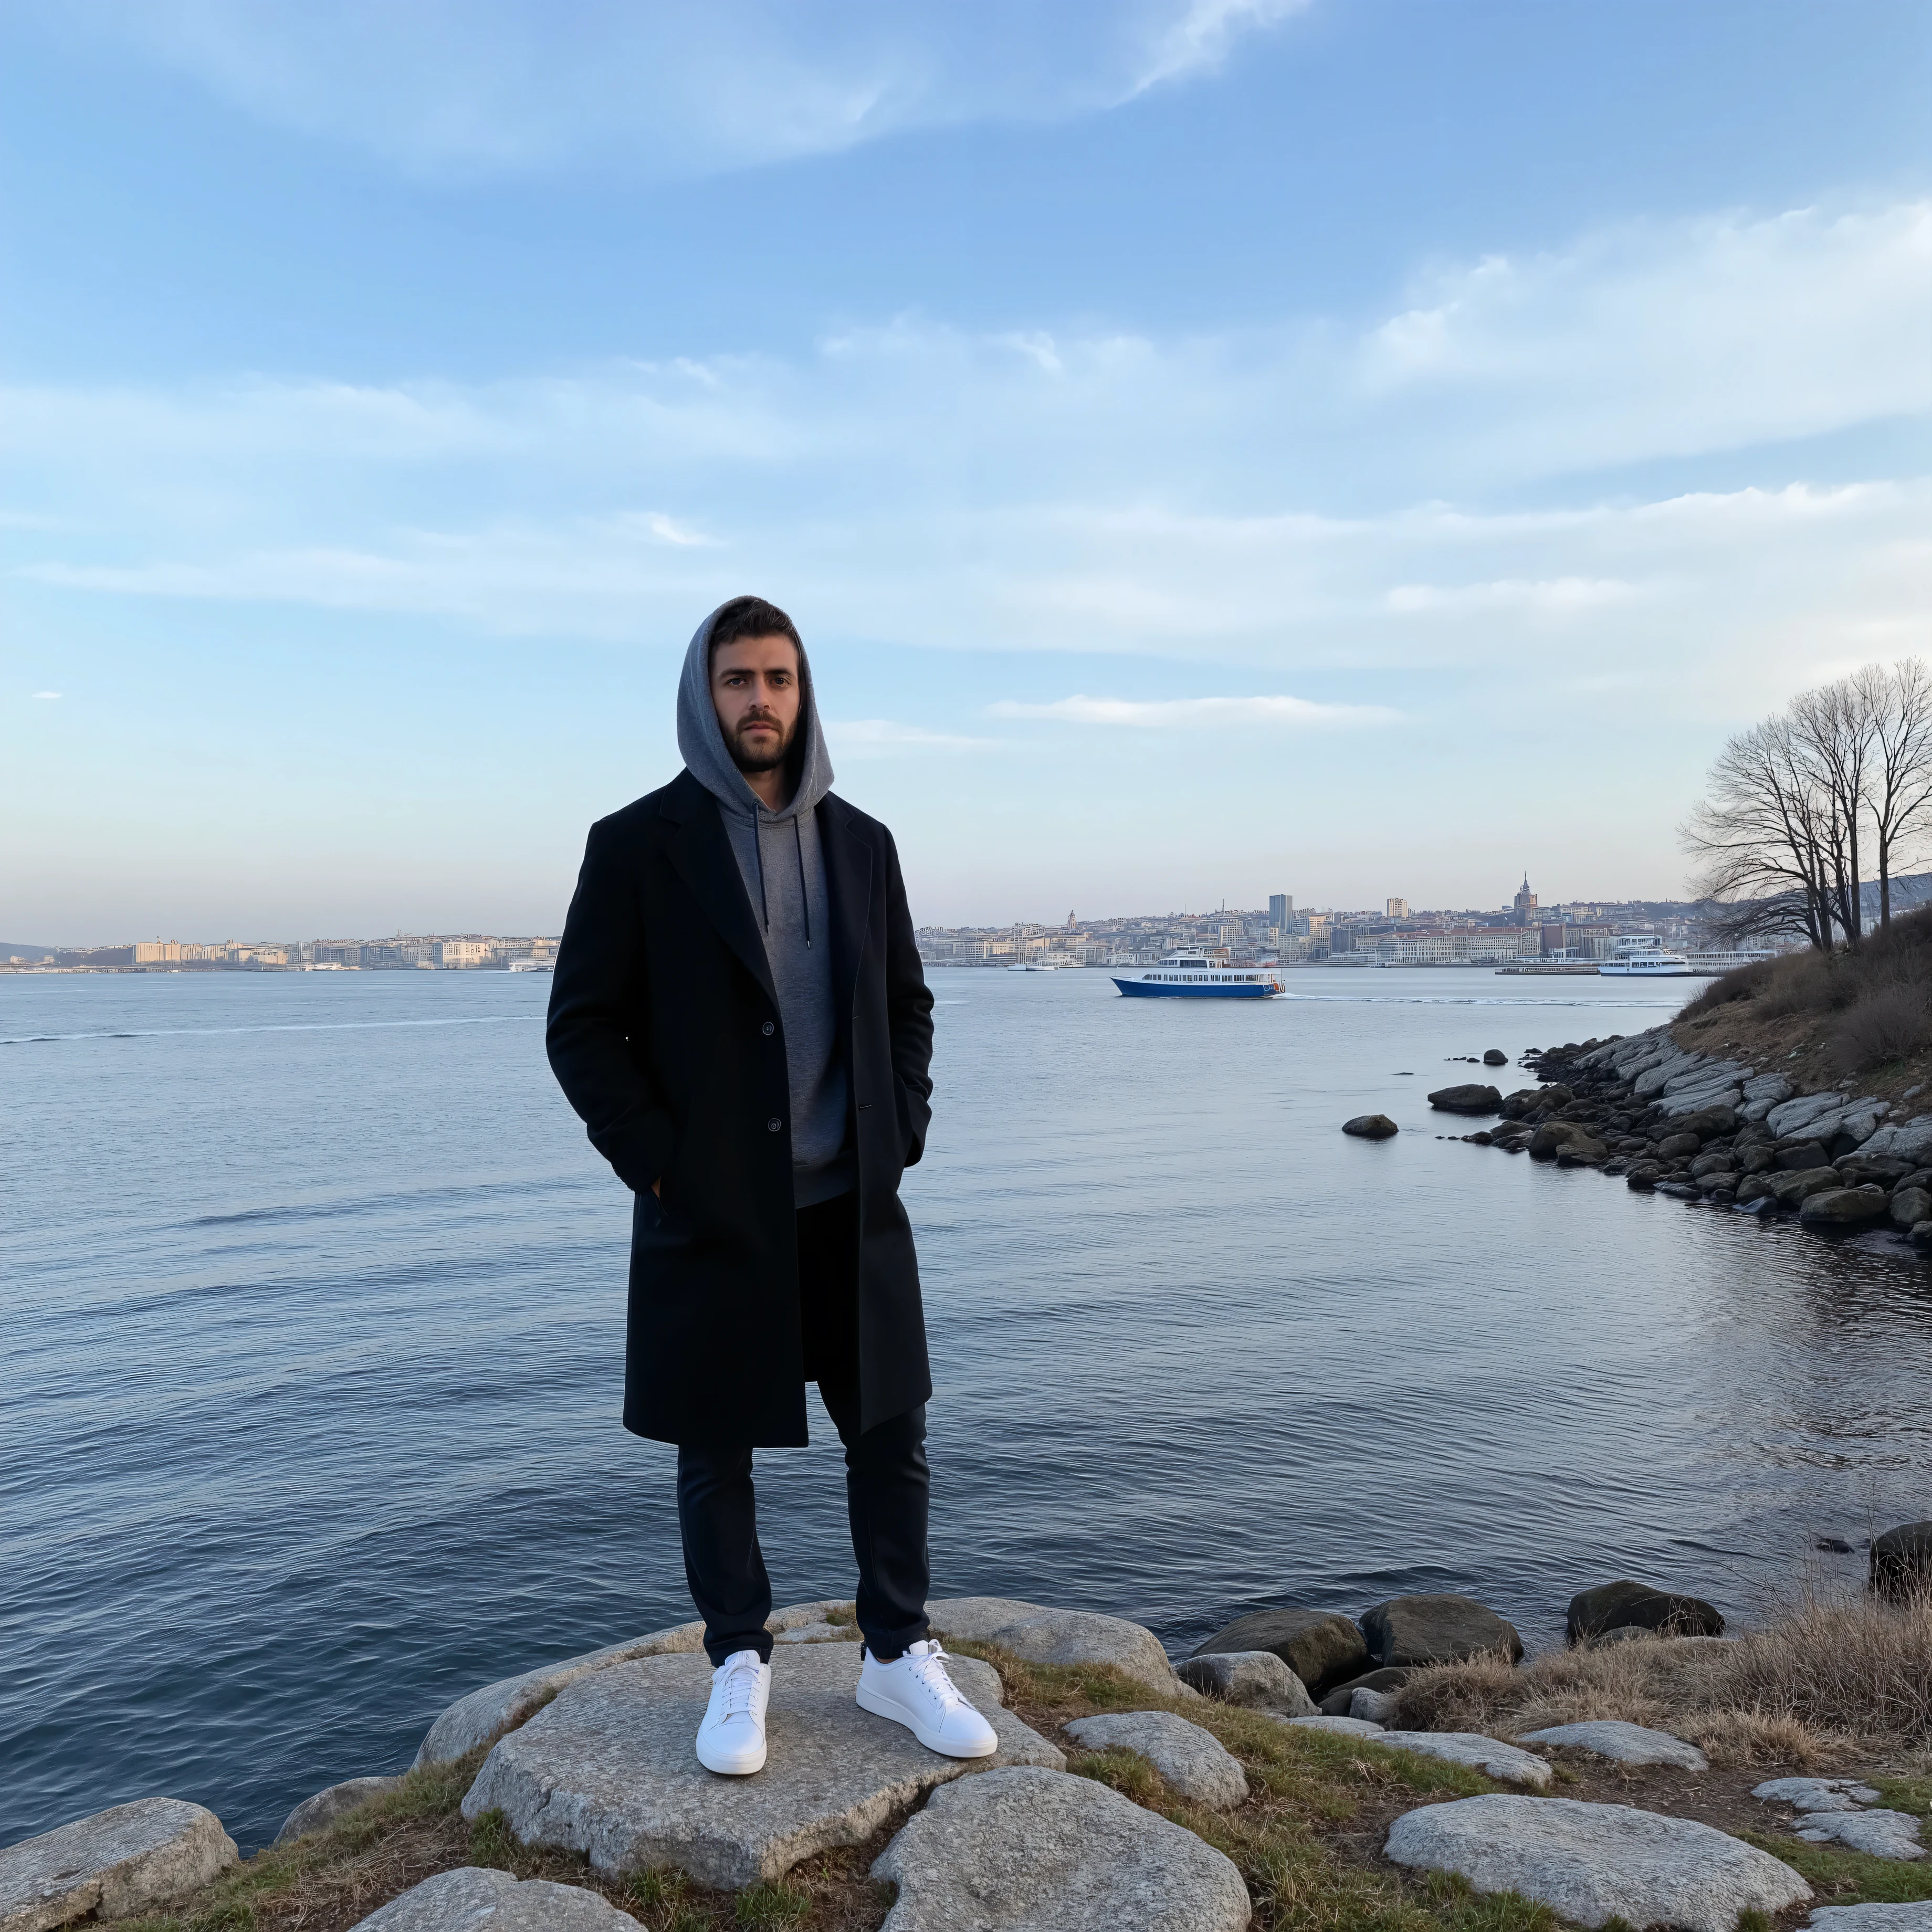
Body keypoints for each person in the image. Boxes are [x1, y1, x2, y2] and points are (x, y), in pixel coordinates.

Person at [545, 595, 997, 1776]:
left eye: (778, 680)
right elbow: (584, 1028)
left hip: (850, 1200)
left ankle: (895, 1652)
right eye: (738, 679)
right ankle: (738, 1662)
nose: (760, 701)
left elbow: (906, 1003)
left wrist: (901, 1131)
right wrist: (658, 1163)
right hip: (711, 1207)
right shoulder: (637, 842)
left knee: (891, 1431)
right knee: (715, 1447)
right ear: (706, 693)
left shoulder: (863, 842)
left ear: (804, 693)